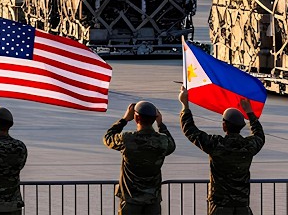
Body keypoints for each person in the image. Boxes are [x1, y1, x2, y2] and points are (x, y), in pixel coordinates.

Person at [178, 86, 265, 215]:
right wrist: (250, 112)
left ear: (224, 126)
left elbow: (190, 131)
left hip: (220, 205)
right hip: (242, 205)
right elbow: (259, 135)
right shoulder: (248, 146)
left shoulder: (216, 144)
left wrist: (185, 105)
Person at [104, 100, 176, 215]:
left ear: (136, 118)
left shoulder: (128, 139)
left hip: (130, 200)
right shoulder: (162, 141)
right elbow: (171, 145)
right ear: (154, 119)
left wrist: (124, 119)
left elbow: (108, 138)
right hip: (152, 201)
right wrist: (161, 124)